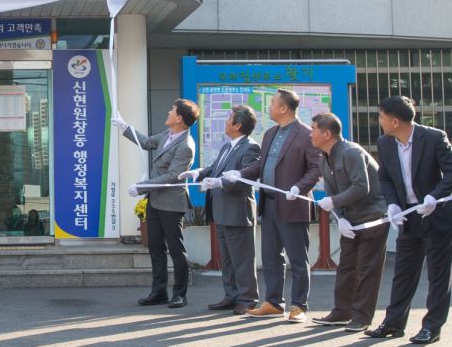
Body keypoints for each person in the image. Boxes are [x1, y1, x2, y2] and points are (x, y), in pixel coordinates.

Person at [369, 95, 452, 344]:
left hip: (436, 214)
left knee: (438, 275)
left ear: (395, 121)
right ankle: (393, 323)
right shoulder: (385, 143)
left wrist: (435, 196)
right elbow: (385, 177)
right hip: (408, 216)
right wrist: (392, 203)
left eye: (381, 117)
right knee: (403, 271)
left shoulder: (434, 137)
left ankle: (432, 327)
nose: (379, 122)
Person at [236, 89, 322, 322]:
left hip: (293, 205)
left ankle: (299, 306)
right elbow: (261, 166)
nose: (269, 106)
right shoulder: (270, 133)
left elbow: (315, 169)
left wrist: (298, 188)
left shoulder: (306, 134)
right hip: (270, 204)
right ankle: (273, 302)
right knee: (271, 257)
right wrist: (240, 174)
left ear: (284, 108)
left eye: (273, 103)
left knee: (297, 258)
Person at [308, 112, 390, 333]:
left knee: (367, 269)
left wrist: (334, 202)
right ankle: (341, 312)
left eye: (313, 129)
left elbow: (361, 186)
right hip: (350, 219)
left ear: (327, 133)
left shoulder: (351, 152)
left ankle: (362, 317)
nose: (310, 134)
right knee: (346, 266)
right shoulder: (324, 157)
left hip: (373, 218)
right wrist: (340, 218)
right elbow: (331, 193)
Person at [114, 100, 198, 308]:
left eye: (172, 110)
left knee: (176, 250)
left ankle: (180, 294)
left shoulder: (186, 146)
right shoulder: (167, 135)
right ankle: (159, 292)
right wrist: (124, 127)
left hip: (172, 203)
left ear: (179, 118)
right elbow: (145, 142)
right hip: (155, 200)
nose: (168, 112)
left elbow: (171, 176)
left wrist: (141, 187)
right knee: (156, 248)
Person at [192, 104, 261, 314]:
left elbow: (247, 176)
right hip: (221, 211)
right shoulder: (227, 147)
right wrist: (199, 173)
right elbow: (215, 168)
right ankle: (231, 296)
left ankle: (248, 298)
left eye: (229, 118)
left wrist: (221, 183)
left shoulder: (250, 147)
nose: (225, 121)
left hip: (237, 211)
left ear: (238, 125)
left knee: (242, 259)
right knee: (228, 259)